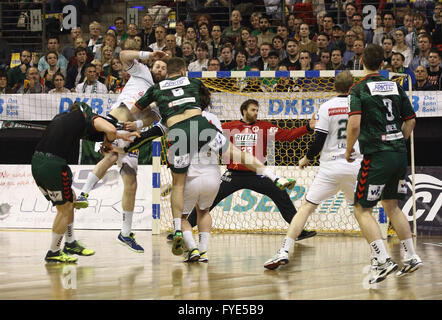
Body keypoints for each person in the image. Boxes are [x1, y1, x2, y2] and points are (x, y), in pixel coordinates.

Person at [130, 58, 298, 257]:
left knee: (178, 186)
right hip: (205, 145)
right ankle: (276, 177)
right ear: (184, 71)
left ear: (167, 73)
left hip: (179, 137)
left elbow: (134, 112)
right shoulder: (197, 91)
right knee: (237, 155)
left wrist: (128, 129)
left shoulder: (159, 93)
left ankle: (178, 231)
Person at [182, 98, 318, 244]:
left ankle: (298, 232)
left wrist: (308, 128)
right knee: (208, 201)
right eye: (253, 110)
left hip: (257, 174)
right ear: (244, 111)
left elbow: (287, 136)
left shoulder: (264, 127)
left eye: (257, 110)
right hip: (233, 175)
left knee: (281, 194)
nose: (256, 113)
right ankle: (184, 229)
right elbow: (209, 137)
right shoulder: (227, 127)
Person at [264, 70, 360, 270]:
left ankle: (284, 249)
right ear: (353, 86)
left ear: (334, 86)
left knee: (306, 208)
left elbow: (319, 140)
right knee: (362, 212)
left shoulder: (326, 107)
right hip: (353, 164)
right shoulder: (360, 104)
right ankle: (381, 256)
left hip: (330, 168)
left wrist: (306, 158)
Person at [75, 50, 168, 253]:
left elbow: (154, 115)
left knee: (130, 182)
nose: (160, 69)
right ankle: (84, 195)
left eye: (163, 67)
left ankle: (124, 232)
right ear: (152, 66)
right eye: (158, 65)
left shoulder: (162, 90)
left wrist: (138, 123)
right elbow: (124, 54)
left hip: (130, 133)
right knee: (112, 157)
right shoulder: (143, 72)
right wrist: (148, 54)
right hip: (114, 123)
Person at [345, 44, 422, 284]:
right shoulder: (397, 87)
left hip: (377, 155)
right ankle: (410, 256)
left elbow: (355, 125)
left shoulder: (358, 89)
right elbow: (410, 121)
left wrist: (348, 150)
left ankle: (382, 260)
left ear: (362, 63)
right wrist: (398, 141)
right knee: (392, 205)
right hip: (399, 153)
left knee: (361, 209)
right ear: (383, 63)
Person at [32, 101, 138, 263]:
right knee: (65, 208)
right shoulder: (85, 116)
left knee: (71, 199)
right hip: (53, 165)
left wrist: (120, 135)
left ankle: (71, 243)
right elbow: (110, 129)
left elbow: (106, 131)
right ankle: (53, 252)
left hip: (37, 163)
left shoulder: (61, 120)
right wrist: (109, 143)